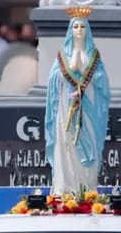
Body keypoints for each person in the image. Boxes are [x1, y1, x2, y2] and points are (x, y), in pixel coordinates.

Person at [45, 15, 110, 195]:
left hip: (89, 110)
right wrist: (71, 67)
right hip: (66, 111)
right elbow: (53, 80)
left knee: (90, 143)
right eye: (76, 27)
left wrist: (86, 71)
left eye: (83, 27)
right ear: (70, 31)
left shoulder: (94, 56)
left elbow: (103, 83)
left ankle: (86, 190)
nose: (79, 30)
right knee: (66, 145)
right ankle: (65, 188)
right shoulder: (62, 56)